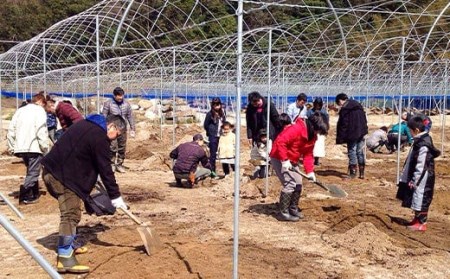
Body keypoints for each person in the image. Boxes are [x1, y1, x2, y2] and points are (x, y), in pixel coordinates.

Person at [41, 114, 128, 273]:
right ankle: (65, 257)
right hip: (63, 177)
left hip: (51, 171)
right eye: (117, 134)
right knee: (71, 214)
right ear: (112, 127)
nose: (115, 139)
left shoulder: (86, 124)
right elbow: (106, 170)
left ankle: (69, 244)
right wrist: (115, 196)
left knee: (72, 211)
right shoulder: (99, 137)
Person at [270, 112, 329, 222]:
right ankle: (283, 213)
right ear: (312, 126)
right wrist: (284, 160)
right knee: (290, 182)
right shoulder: (296, 129)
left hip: (292, 160)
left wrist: (310, 171)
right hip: (278, 156)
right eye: (318, 130)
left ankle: (293, 208)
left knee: (298, 182)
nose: (318, 133)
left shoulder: (312, 137)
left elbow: (308, 154)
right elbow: (280, 143)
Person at [396, 116, 440, 232]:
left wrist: (415, 180)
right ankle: (416, 220)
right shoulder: (419, 141)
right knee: (416, 198)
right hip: (419, 177)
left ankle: (421, 223)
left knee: (421, 198)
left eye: (410, 131)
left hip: (423, 178)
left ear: (416, 130)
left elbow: (422, 165)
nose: (410, 133)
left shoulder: (424, 145)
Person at [7, 92, 49, 204]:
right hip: (33, 147)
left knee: (30, 170)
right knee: (34, 172)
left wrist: (12, 147)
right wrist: (45, 147)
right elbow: (41, 131)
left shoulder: (20, 111)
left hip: (21, 147)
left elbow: (11, 130)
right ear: (41, 102)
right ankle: (25, 195)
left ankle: (33, 192)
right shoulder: (39, 111)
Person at [102, 87, 136, 173]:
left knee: (122, 147)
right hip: (112, 129)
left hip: (122, 128)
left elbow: (130, 116)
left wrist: (132, 128)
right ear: (114, 95)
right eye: (118, 96)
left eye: (122, 95)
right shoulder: (108, 103)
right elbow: (104, 116)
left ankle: (119, 164)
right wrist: (104, 127)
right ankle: (112, 164)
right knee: (112, 147)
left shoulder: (126, 104)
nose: (120, 97)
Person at [335, 93, 368, 179]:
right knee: (360, 152)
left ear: (340, 101)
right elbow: (365, 120)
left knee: (352, 152)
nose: (340, 106)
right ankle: (362, 173)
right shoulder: (358, 106)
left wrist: (341, 138)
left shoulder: (345, 109)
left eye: (339, 104)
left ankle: (353, 173)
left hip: (351, 134)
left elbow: (343, 125)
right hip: (361, 132)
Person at [203, 97, 226, 178]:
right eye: (215, 105)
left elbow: (224, 122)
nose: (216, 106)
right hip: (213, 136)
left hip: (222, 135)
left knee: (224, 153)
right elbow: (206, 125)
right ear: (212, 105)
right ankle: (213, 172)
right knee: (213, 155)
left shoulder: (223, 113)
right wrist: (210, 132)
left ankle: (226, 172)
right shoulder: (209, 114)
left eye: (218, 104)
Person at [307, 97, 329, 165]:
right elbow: (307, 121)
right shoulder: (310, 112)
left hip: (320, 132)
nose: (317, 106)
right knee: (310, 146)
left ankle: (316, 160)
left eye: (319, 105)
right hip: (312, 131)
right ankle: (310, 159)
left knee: (319, 146)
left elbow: (326, 121)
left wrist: (325, 130)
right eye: (316, 105)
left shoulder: (324, 112)